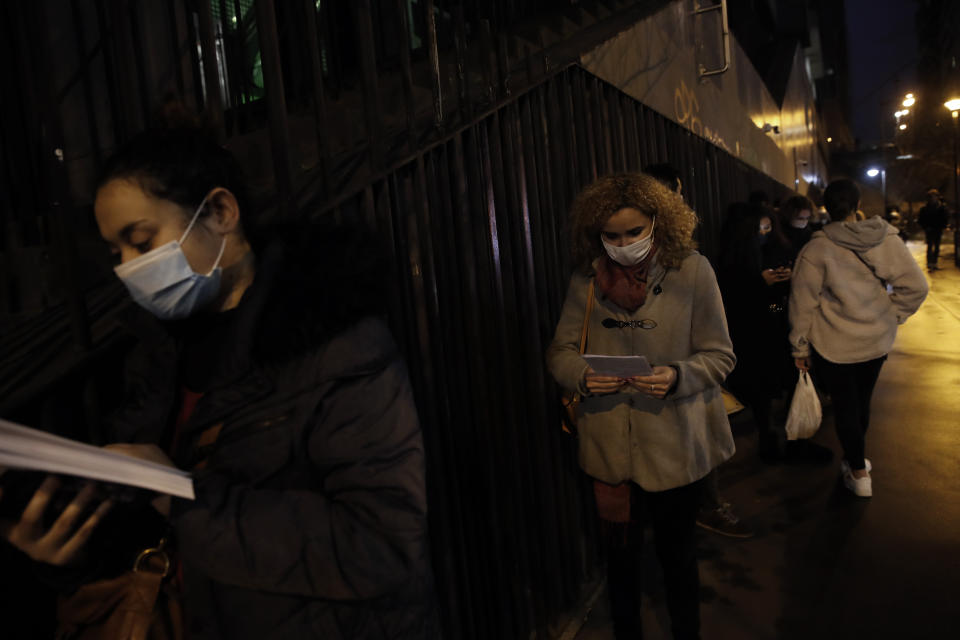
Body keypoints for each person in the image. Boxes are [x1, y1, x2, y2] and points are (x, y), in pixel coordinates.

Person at [0, 124, 438, 638]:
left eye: (142, 241)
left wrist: (184, 496)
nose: (127, 269)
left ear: (221, 213)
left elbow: (379, 546)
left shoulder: (338, 345)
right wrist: (65, 550)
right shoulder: (156, 356)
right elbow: (146, 537)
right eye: (116, 252)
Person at [547, 173, 736, 640]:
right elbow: (560, 352)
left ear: (657, 222)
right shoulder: (586, 277)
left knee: (678, 557)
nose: (623, 243)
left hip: (675, 443)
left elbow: (720, 355)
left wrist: (677, 376)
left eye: (634, 232)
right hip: (610, 445)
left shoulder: (693, 271)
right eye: (611, 235)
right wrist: (583, 376)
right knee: (621, 562)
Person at [789, 179, 928, 497]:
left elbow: (803, 302)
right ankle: (857, 462)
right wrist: (894, 315)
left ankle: (857, 470)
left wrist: (799, 345)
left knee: (846, 405)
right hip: (876, 339)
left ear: (826, 206)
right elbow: (916, 287)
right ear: (856, 203)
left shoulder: (817, 248)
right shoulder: (885, 238)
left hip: (833, 342)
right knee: (862, 402)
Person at [644, 163, 751, 539]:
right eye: (676, 192)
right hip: (655, 384)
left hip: (681, 376)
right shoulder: (602, 268)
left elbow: (720, 351)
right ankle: (702, 509)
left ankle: (703, 507)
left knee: (693, 454)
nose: (680, 200)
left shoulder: (691, 263)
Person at [718, 202, 819, 463]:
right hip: (751, 332)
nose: (765, 233)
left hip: (776, 325)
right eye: (760, 228)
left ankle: (790, 437)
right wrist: (759, 283)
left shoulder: (778, 248)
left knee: (782, 381)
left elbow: (780, 300)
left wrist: (784, 279)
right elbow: (732, 298)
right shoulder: (733, 258)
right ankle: (768, 437)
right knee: (760, 387)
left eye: (768, 227)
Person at [917, 188, 949, 270]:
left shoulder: (941, 208)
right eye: (931, 197)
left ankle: (934, 262)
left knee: (937, 246)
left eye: (934, 196)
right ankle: (930, 262)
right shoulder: (925, 208)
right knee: (930, 245)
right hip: (929, 229)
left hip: (938, 229)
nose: (933, 198)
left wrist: (943, 226)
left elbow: (945, 218)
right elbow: (921, 219)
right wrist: (926, 227)